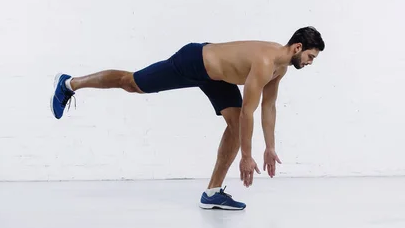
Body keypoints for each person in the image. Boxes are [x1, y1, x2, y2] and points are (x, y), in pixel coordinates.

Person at [50, 26, 325, 210]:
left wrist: (270, 147)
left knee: (235, 126)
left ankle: (212, 193)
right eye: (311, 56)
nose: (311, 62)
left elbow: (269, 107)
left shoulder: (281, 68)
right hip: (193, 61)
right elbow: (248, 111)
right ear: (297, 47)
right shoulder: (266, 63)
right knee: (131, 82)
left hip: (217, 77)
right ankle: (69, 84)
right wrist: (246, 155)